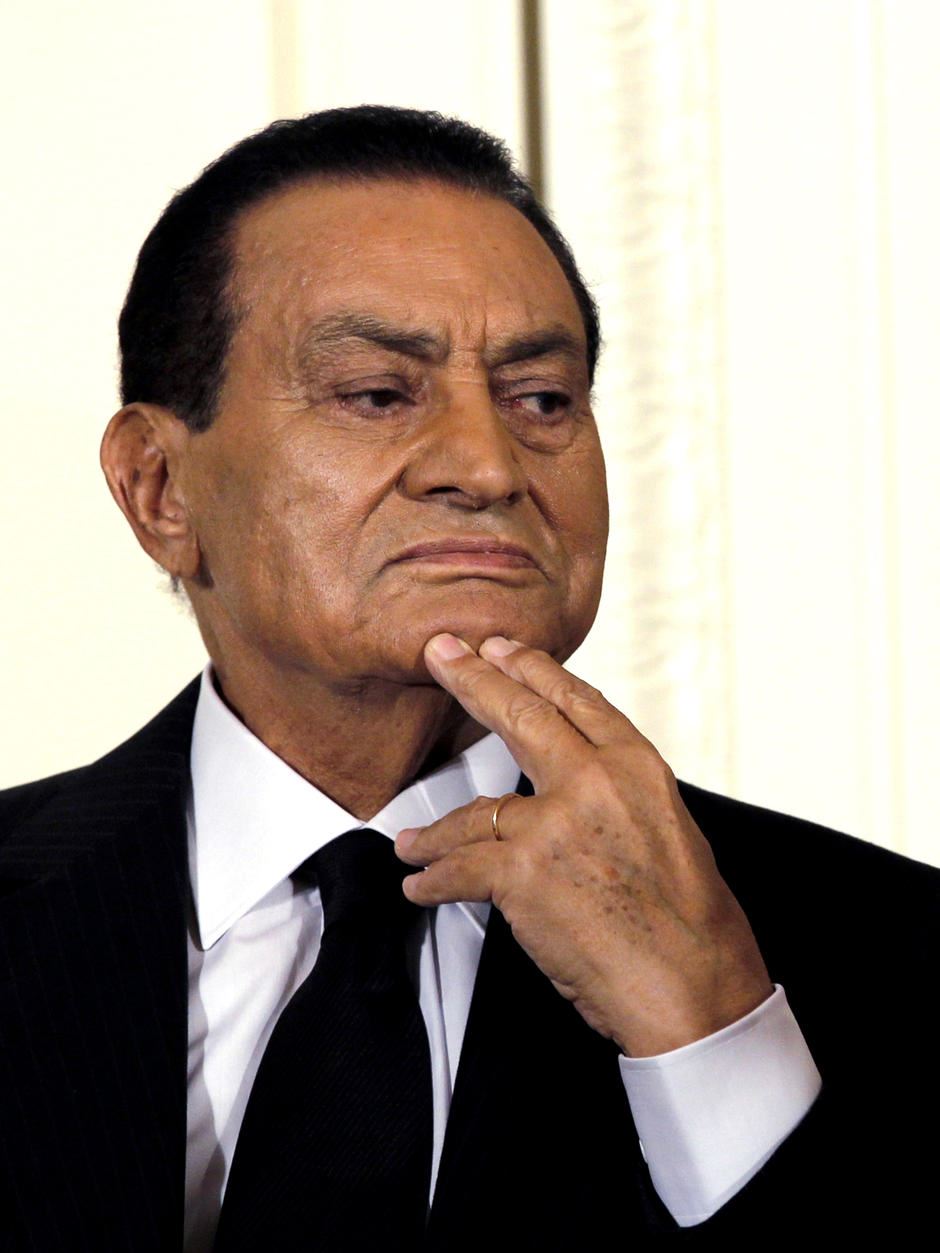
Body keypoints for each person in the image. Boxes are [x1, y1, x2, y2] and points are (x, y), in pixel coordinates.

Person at [0, 106, 936, 1252]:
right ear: (158, 487)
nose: (488, 466)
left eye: (541, 400)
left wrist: (711, 1031)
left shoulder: (893, 951)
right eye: (377, 394)